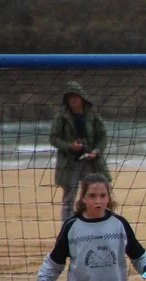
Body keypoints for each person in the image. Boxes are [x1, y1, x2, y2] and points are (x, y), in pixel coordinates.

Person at [50, 82, 111, 225]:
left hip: (91, 161)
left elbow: (102, 136)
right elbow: (54, 138)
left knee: (95, 193)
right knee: (69, 198)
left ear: (82, 98)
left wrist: (96, 151)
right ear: (67, 99)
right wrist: (70, 146)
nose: (74, 100)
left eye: (76, 97)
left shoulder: (92, 115)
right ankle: (68, 227)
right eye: (71, 97)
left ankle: (95, 223)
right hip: (70, 162)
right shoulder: (61, 117)